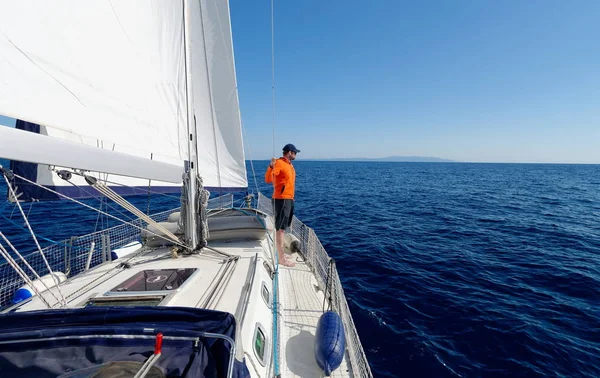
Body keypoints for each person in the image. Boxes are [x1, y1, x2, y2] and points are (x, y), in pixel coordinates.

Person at [265, 143, 300, 267]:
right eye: (295, 152)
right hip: (281, 199)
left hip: (288, 199)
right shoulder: (279, 163)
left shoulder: (289, 165)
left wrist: (291, 199)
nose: (296, 155)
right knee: (280, 229)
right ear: (289, 152)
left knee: (283, 227)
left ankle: (281, 253)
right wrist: (271, 166)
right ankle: (281, 258)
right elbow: (269, 179)